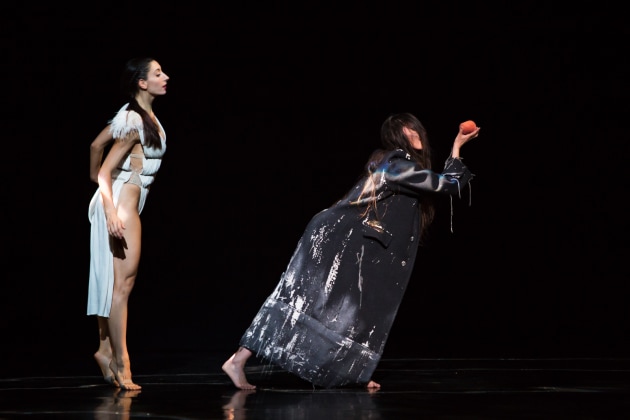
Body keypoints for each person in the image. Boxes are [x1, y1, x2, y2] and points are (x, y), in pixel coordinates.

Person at [222, 113, 480, 390]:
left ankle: (356, 371)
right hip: (340, 239)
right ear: (397, 135)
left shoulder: (396, 164)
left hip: (360, 244)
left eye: (417, 129)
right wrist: (457, 147)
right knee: (303, 300)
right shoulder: (396, 164)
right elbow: (447, 185)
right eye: (408, 129)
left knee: (362, 310)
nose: (417, 134)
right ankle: (237, 361)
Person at [87, 57, 169, 390]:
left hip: (122, 201)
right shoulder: (135, 120)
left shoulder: (138, 116)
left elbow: (95, 144)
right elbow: (105, 170)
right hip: (121, 206)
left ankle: (106, 351)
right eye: (158, 73)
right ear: (142, 83)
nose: (166, 77)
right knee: (123, 286)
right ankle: (123, 363)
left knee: (114, 282)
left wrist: (97, 182)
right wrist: (108, 208)